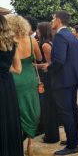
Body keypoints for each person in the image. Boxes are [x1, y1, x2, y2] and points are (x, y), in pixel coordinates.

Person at [42, 10, 78, 155]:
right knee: (72, 110)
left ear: (58, 20)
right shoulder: (71, 36)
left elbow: (59, 61)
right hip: (72, 80)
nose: (51, 21)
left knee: (66, 112)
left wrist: (49, 67)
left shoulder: (60, 36)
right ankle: (75, 139)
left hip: (62, 81)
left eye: (53, 18)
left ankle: (72, 145)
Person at [5, 14, 42, 155]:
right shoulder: (32, 41)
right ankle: (30, 144)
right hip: (30, 78)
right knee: (31, 106)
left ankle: (16, 142)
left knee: (17, 110)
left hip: (14, 78)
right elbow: (39, 58)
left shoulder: (9, 42)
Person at [0, 13, 23, 156]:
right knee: (8, 119)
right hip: (8, 86)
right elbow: (18, 69)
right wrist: (4, 66)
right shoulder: (12, 43)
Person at [36, 22, 60, 143]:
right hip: (48, 78)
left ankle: (51, 136)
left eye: (38, 30)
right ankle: (51, 134)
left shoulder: (45, 45)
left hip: (47, 78)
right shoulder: (50, 42)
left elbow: (49, 65)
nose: (37, 32)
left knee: (48, 107)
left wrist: (35, 65)